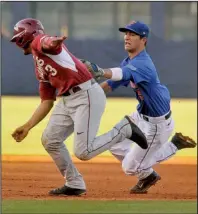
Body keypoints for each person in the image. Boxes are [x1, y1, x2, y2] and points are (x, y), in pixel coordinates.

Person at [10, 18, 148, 196]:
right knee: (50, 140)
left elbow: (47, 42)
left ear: (25, 36)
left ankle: (125, 128)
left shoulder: (40, 43)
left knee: (84, 152)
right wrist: (27, 126)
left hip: (86, 95)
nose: (16, 42)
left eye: (17, 38)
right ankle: (74, 183)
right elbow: (47, 101)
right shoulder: (40, 66)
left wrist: (54, 42)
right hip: (67, 100)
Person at [81, 20, 196, 194]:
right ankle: (147, 173)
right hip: (140, 115)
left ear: (144, 40)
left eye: (132, 34)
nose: (127, 37)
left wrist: (100, 70)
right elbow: (113, 83)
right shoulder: (130, 60)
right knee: (115, 144)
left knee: (129, 167)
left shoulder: (143, 64)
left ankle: (175, 144)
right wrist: (90, 94)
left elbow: (121, 73)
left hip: (156, 124)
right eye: (126, 33)